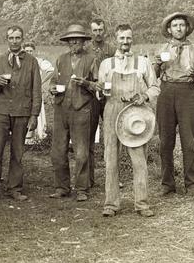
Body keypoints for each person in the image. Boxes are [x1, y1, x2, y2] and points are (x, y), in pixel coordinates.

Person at [97, 24, 159, 217]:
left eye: (128, 38)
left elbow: (155, 87)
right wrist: (100, 91)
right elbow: (101, 91)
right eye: (122, 38)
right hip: (112, 111)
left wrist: (145, 97)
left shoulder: (143, 62)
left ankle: (142, 204)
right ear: (116, 39)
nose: (125, 42)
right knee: (111, 160)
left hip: (135, 113)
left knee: (139, 161)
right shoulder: (106, 64)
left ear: (133, 39)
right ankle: (111, 204)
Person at [153, 12, 194, 195]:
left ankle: (192, 183)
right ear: (169, 29)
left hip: (187, 93)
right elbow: (151, 76)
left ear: (187, 28)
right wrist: (157, 65)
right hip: (166, 92)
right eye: (175, 25)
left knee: (189, 140)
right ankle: (167, 184)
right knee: (165, 141)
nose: (178, 28)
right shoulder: (162, 49)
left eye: (182, 25)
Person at [0, 26, 41, 201]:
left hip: (22, 112)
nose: (14, 41)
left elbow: (36, 90)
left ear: (22, 39)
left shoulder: (31, 61)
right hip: (1, 111)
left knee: (18, 152)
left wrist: (34, 115)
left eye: (18, 38)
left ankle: (14, 188)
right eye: (11, 38)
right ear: (7, 39)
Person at [48, 24, 99, 201]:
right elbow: (53, 81)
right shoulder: (61, 59)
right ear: (67, 41)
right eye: (71, 39)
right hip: (61, 108)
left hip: (82, 109)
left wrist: (85, 83)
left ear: (84, 41)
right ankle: (62, 187)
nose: (74, 42)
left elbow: (98, 86)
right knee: (58, 150)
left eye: (78, 39)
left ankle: (82, 189)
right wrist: (53, 89)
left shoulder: (91, 59)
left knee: (81, 152)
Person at [85, 19, 115, 188]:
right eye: (95, 30)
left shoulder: (111, 49)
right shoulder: (86, 49)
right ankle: (88, 178)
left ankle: (112, 177)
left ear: (105, 30)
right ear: (91, 31)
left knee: (111, 136)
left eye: (100, 29)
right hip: (90, 98)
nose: (98, 33)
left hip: (108, 97)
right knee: (88, 136)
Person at [23, 41, 54, 144]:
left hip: (36, 90)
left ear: (34, 51)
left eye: (31, 51)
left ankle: (38, 135)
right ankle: (25, 135)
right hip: (24, 91)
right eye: (27, 50)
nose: (29, 52)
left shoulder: (39, 61)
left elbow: (51, 71)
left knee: (37, 110)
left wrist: (41, 81)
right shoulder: (21, 61)